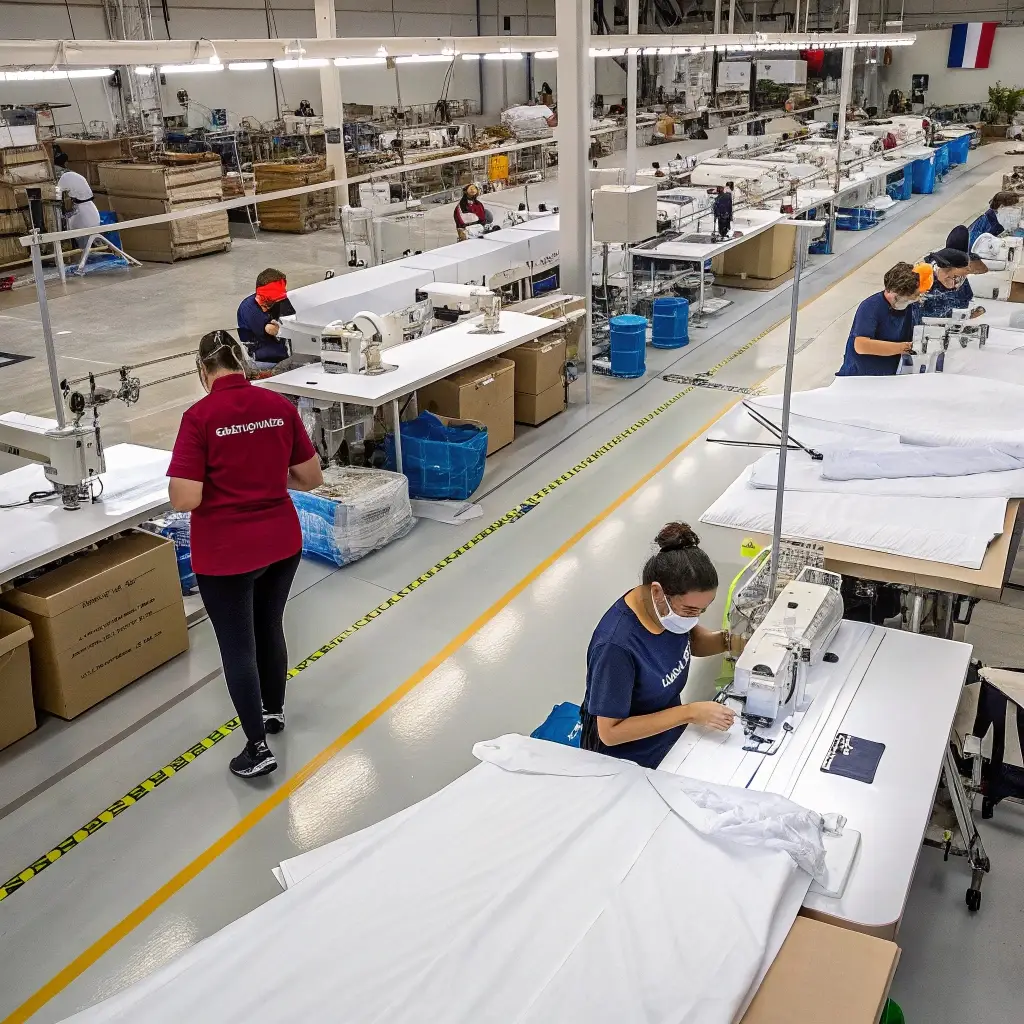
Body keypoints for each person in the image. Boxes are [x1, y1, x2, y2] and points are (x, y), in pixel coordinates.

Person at [167, 330, 324, 778]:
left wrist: (224, 483)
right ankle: (273, 712)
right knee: (269, 626)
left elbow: (184, 498)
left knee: (238, 647)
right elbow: (311, 478)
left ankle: (256, 749)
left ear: (202, 371)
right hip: (281, 543)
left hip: (227, 553)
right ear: (243, 362)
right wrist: (267, 481)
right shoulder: (278, 406)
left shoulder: (199, 417)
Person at [580, 523, 736, 770]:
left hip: (669, 733)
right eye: (690, 610)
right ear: (658, 592)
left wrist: (735, 641)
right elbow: (610, 732)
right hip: (627, 759)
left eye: (703, 610)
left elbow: (692, 641)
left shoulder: (662, 612)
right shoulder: (616, 646)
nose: (695, 618)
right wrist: (690, 713)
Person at [836, 262, 923, 377]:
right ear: (894, 293)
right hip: (861, 376)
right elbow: (861, 345)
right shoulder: (871, 307)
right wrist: (903, 348)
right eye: (910, 297)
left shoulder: (909, 307)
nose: (914, 299)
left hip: (890, 376)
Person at [237, 268, 294, 369]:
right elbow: (271, 329)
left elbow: (293, 317)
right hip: (261, 361)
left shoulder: (278, 302)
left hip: (282, 355)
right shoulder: (248, 307)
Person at [53, 147, 101, 251]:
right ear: (65, 163)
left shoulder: (55, 175)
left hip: (74, 208)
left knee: (72, 227)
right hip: (83, 207)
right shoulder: (70, 174)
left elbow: (57, 195)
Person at [918, 247, 976, 320]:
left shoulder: (960, 280)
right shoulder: (923, 277)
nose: (956, 282)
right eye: (955, 277)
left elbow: (967, 302)